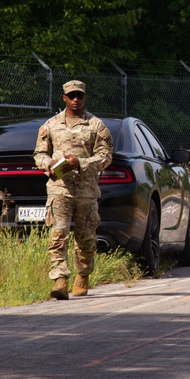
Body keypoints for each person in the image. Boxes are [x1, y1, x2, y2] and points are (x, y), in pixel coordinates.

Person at [33, 80, 114, 299]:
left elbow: (105, 157)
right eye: (71, 96)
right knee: (58, 234)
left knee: (86, 237)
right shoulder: (50, 125)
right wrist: (49, 165)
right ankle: (60, 280)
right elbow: (39, 154)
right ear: (64, 98)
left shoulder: (96, 126)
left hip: (86, 189)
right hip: (59, 188)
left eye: (79, 95)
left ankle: (83, 275)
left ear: (84, 97)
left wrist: (80, 163)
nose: (75, 100)